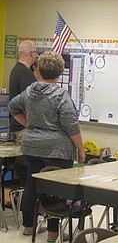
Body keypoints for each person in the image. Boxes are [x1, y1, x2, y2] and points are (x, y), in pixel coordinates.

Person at [8, 51, 86, 241]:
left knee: (31, 185)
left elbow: (12, 106)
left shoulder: (30, 91)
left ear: (38, 70)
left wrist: (29, 124)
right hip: (57, 149)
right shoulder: (61, 95)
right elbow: (71, 126)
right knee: (56, 189)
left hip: (32, 146)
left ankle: (28, 226)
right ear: (60, 72)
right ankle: (53, 232)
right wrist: (81, 149)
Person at [9, 40, 37, 138]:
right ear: (31, 54)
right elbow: (30, 102)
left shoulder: (16, 69)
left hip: (15, 123)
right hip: (23, 127)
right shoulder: (26, 73)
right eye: (36, 52)